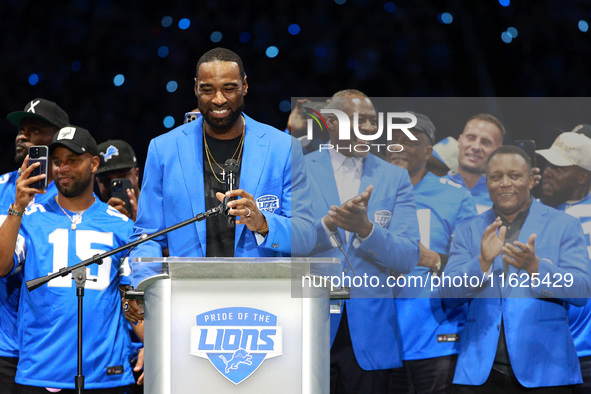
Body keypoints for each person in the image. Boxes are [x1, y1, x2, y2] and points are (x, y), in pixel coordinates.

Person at [129, 47, 315, 260]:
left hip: (260, 289)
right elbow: (148, 237)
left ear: (244, 86)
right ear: (196, 88)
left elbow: (306, 236)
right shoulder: (164, 149)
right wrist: (144, 279)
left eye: (229, 89)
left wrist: (262, 223)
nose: (218, 100)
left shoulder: (283, 148)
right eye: (207, 90)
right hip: (188, 289)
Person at [442, 146, 591, 392]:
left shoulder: (564, 225)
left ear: (531, 180)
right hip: (481, 371)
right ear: (486, 181)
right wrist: (481, 263)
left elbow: (582, 291)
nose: (505, 183)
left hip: (546, 369)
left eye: (514, 175)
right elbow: (448, 295)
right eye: (496, 177)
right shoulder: (469, 229)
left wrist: (535, 267)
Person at [0, 125, 135, 392]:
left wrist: (151, 348)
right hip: (39, 371)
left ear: (94, 163)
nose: (63, 168)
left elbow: (135, 302)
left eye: (73, 161)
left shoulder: (122, 226)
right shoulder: (29, 218)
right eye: (58, 162)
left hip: (105, 374)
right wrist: (16, 207)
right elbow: (2, 266)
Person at [305, 90, 420, 393]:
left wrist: (367, 230)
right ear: (331, 122)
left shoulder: (395, 178)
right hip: (308, 325)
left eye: (373, 122)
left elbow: (408, 256)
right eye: (360, 121)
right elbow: (283, 242)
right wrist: (325, 227)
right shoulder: (298, 170)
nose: (370, 129)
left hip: (371, 333)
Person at [386, 113, 477, 393]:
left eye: (409, 141)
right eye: (393, 140)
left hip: (437, 337)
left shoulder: (456, 196)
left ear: (428, 151)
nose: (399, 146)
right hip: (380, 339)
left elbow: (472, 265)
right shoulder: (367, 192)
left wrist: (435, 259)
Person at [0, 98, 69, 393]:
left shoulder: (70, 199)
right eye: (21, 129)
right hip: (4, 345)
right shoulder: (1, 187)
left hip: (49, 347)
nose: (22, 136)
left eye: (34, 129)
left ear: (58, 139)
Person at [536, 131, 591, 393]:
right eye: (547, 165)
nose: (548, 172)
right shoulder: (531, 213)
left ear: (582, 175)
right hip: (544, 353)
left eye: (558, 167)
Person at [443, 114, 505, 214]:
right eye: (470, 138)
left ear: (497, 151)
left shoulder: (502, 198)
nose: (476, 147)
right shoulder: (431, 190)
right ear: (460, 141)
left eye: (485, 142)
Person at [96, 139, 140, 221]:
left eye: (122, 176)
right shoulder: (94, 220)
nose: (115, 185)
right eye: (106, 181)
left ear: (136, 174)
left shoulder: (159, 206)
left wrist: (141, 223)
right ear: (98, 182)